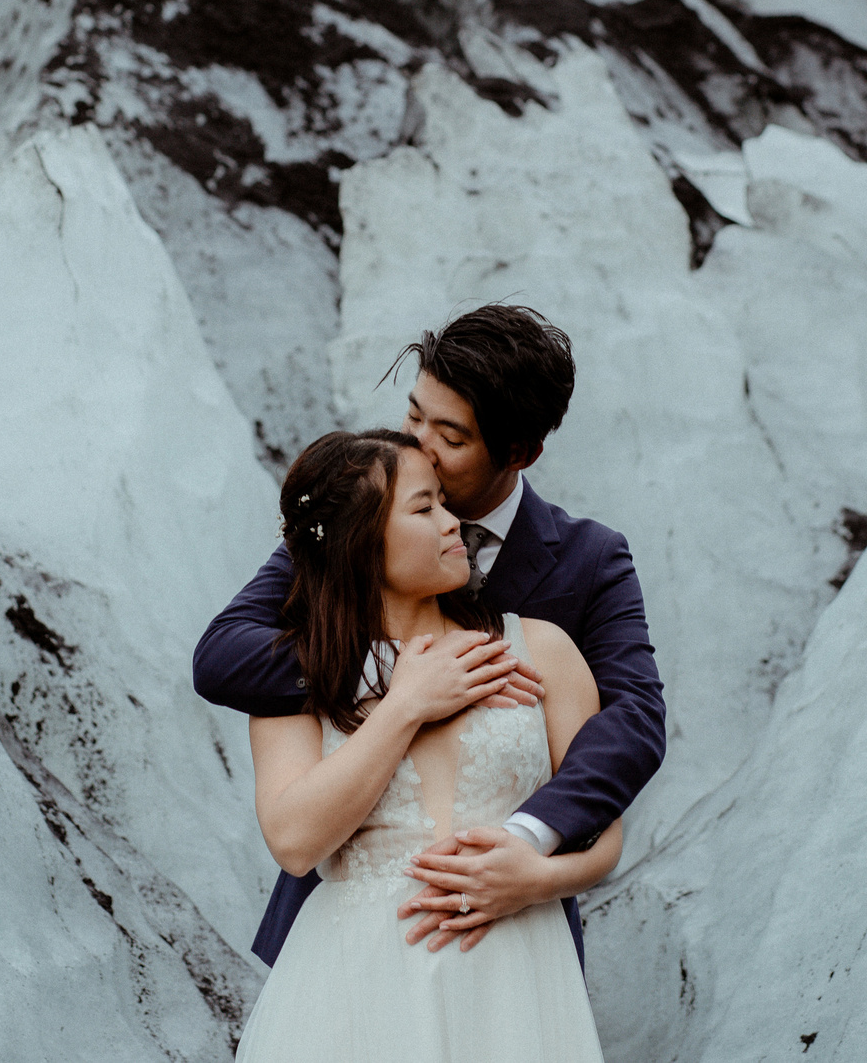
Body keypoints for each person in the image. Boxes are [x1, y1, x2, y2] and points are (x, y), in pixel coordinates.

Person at [195, 304, 665, 965]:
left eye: (450, 435)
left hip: (511, 928)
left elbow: (635, 721)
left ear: (519, 451)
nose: (418, 445)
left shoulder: (588, 560)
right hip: (342, 928)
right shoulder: (357, 517)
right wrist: (403, 672)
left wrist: (535, 844)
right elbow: (222, 656)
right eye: (415, 414)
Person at [228, 429, 613, 1061]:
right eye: (423, 507)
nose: (451, 522)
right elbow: (295, 842)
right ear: (361, 544)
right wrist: (406, 703)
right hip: (353, 988)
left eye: (444, 500)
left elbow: (606, 834)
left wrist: (537, 880)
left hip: (519, 975)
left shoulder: (541, 649)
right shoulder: (299, 673)